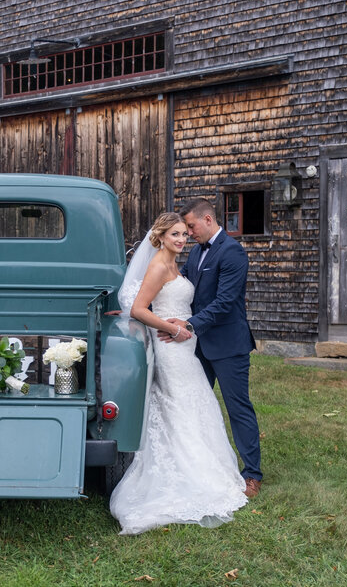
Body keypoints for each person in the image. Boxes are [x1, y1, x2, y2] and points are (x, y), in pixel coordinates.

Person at [109, 212, 247, 535]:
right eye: (175, 235)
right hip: (171, 347)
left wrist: (185, 328)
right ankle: (190, 473)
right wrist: (170, 326)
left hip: (186, 344)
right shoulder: (158, 264)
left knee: (197, 401)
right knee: (180, 405)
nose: (182, 240)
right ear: (160, 237)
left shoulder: (175, 265)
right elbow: (139, 308)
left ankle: (207, 468)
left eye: (185, 234)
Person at [160, 198, 262, 498]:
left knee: (237, 408)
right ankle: (199, 467)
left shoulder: (233, 253)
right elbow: (184, 289)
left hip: (228, 345)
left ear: (207, 219)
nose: (188, 233)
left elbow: (224, 303)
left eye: (191, 226)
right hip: (196, 349)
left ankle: (252, 474)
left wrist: (188, 326)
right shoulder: (196, 254)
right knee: (196, 407)